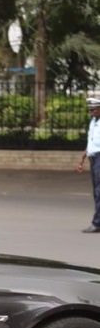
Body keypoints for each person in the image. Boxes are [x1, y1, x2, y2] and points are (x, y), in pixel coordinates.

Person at [77, 97, 100, 233]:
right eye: (90, 110)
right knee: (96, 192)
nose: (91, 112)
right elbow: (91, 142)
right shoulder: (93, 122)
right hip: (93, 158)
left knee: (99, 192)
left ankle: (97, 223)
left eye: (93, 109)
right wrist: (83, 157)